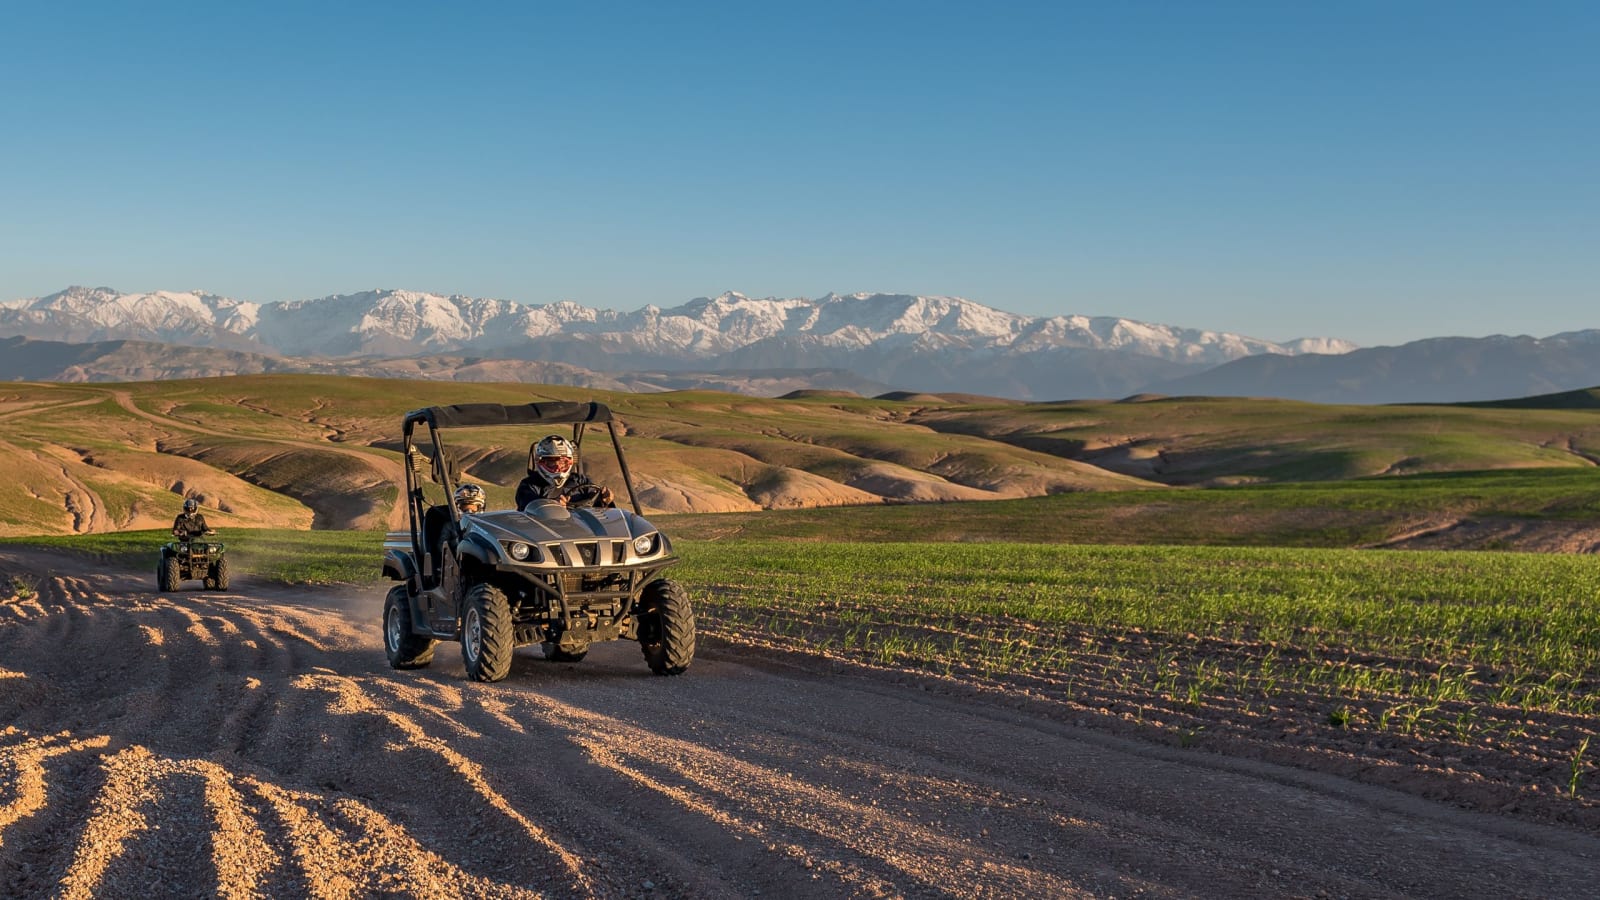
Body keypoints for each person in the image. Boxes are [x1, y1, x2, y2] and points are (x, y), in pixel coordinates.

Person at [515, 434, 615, 510]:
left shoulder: (580, 481)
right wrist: (552, 506)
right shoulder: (529, 485)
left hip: (581, 528)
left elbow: (596, 507)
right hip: (546, 529)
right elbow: (529, 505)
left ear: (570, 462)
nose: (558, 468)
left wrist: (605, 500)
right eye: (551, 463)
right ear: (541, 462)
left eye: (563, 463)